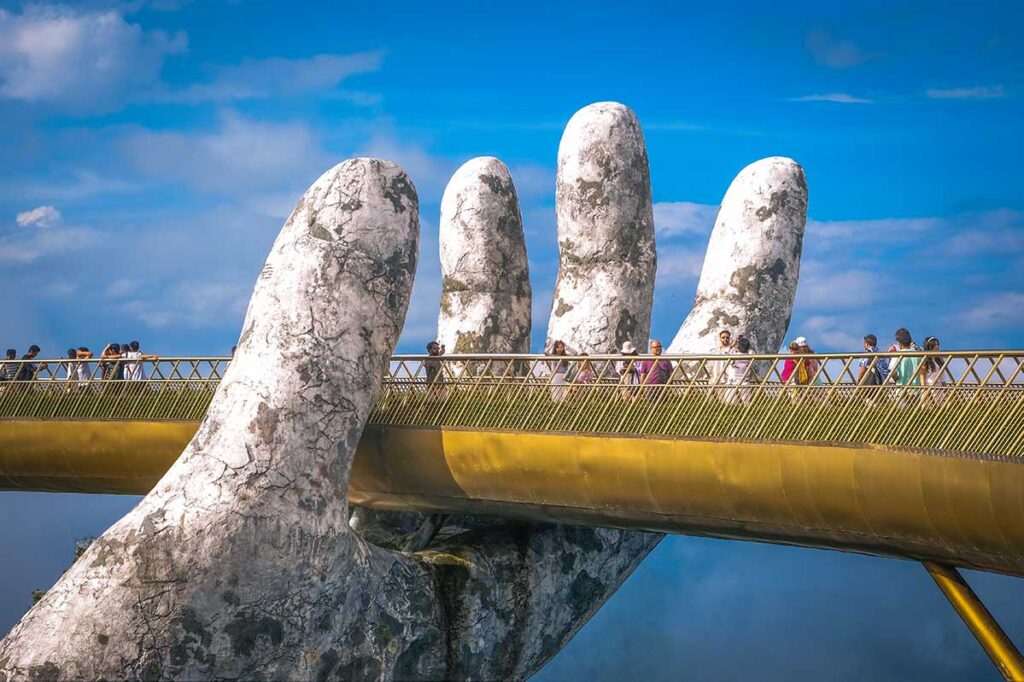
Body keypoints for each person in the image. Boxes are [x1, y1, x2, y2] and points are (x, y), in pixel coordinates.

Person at [725, 336, 754, 405]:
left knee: (730, 401)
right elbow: (752, 351)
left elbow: (725, 353)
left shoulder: (733, 355)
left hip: (732, 381)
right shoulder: (750, 356)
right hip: (745, 381)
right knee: (746, 402)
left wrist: (733, 345)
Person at [920, 336, 946, 406]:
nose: (937, 347)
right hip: (929, 389)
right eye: (934, 345)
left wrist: (946, 390)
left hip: (939, 389)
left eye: (937, 345)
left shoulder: (939, 360)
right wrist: (926, 393)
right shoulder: (925, 361)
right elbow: (922, 378)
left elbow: (942, 377)